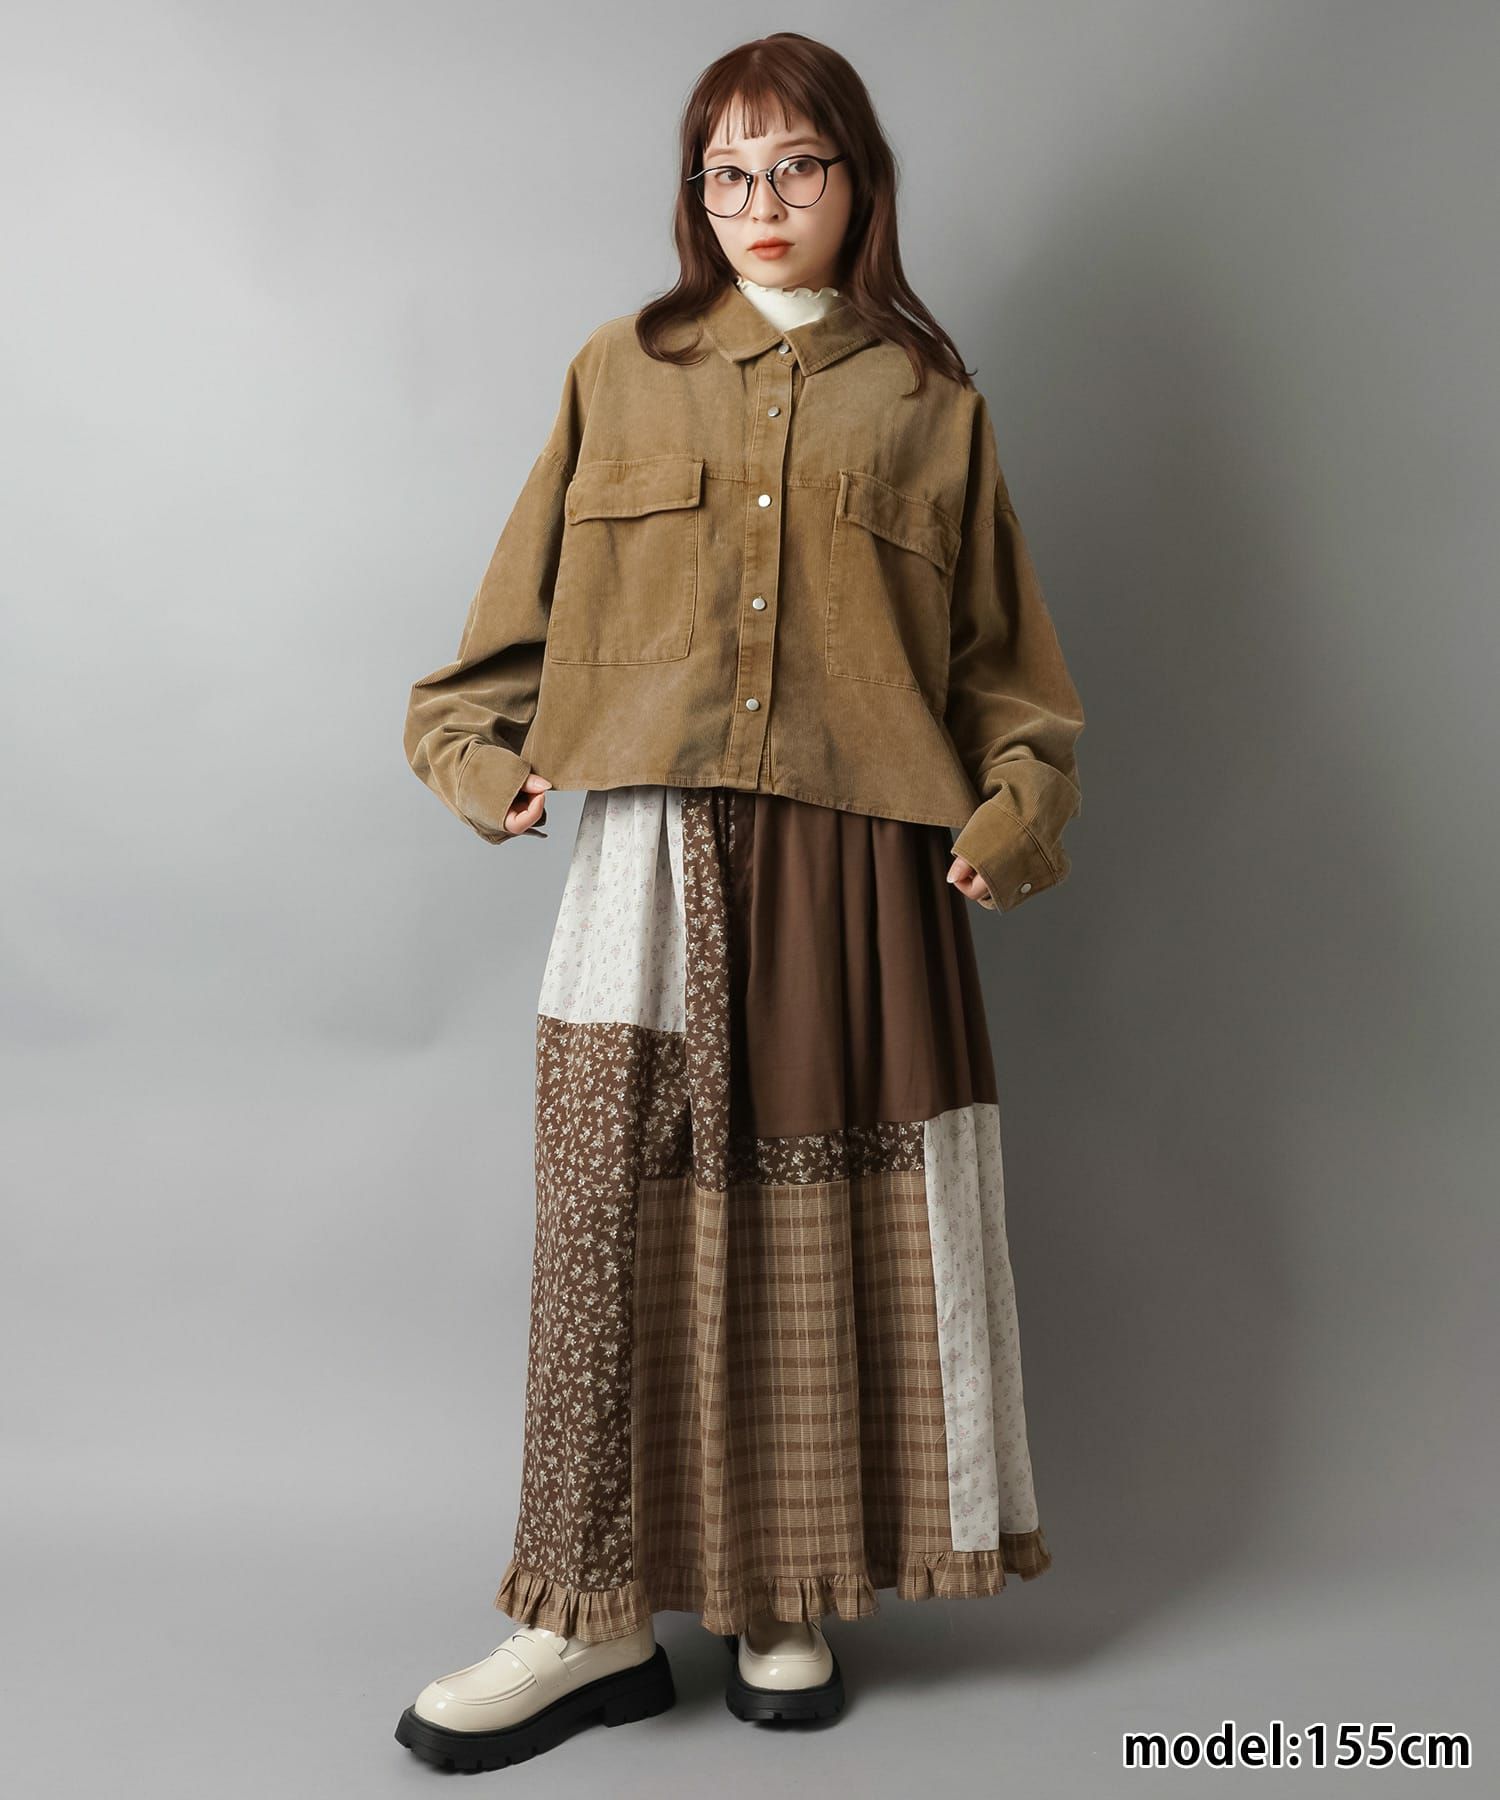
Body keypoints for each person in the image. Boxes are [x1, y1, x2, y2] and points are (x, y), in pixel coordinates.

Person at [394, 30, 1086, 1773]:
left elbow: (1010, 682)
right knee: (609, 1218)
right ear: (694, 195)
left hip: (864, 874)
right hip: (650, 857)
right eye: (726, 173)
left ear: (859, 184)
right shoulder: (617, 371)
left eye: (795, 167)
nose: (760, 202)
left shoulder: (932, 408)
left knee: (812, 1233)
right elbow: (490, 650)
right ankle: (588, 1618)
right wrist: (482, 764)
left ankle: (782, 1587)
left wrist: (1016, 815)